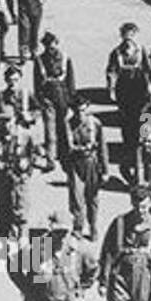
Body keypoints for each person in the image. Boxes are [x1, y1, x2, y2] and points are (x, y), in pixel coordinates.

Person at [0, 103, 36, 241]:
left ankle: (22, 240)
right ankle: (6, 241)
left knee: (21, 210)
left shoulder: (25, 136)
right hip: (1, 178)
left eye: (8, 120)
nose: (5, 124)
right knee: (3, 210)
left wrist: (27, 167)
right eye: (2, 120)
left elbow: (33, 156)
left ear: (15, 119)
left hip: (19, 179)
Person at [61, 97, 108, 241]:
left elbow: (103, 148)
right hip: (75, 164)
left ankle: (93, 226)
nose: (80, 113)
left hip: (91, 163)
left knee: (92, 198)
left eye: (82, 110)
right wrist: (66, 168)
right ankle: (78, 227)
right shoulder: (68, 124)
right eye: (76, 110)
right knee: (76, 198)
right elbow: (63, 148)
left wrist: (105, 171)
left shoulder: (95, 124)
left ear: (86, 108)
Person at [106, 22, 151, 154]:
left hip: (139, 85)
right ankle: (129, 145)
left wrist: (149, 85)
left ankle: (146, 142)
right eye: (126, 34)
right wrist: (111, 89)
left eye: (132, 34)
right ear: (121, 35)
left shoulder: (141, 50)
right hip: (124, 87)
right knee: (126, 118)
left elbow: (147, 69)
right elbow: (111, 71)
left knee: (144, 114)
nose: (129, 37)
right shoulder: (116, 52)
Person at [34, 31, 75, 163]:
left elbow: (71, 81)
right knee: (50, 130)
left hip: (63, 96)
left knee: (65, 127)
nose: (51, 50)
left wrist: (72, 101)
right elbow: (37, 82)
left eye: (53, 46)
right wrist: (40, 99)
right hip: (47, 97)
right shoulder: (40, 60)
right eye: (47, 47)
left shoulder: (65, 58)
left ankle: (67, 155)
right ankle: (50, 158)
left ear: (57, 44)